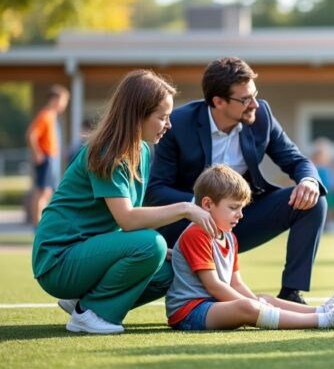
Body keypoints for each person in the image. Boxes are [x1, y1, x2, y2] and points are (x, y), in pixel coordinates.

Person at [32, 70, 218, 334]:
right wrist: (186, 208)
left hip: (86, 253)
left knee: (169, 271)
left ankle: (84, 303)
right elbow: (127, 218)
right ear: (137, 115)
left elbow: (125, 224)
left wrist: (157, 255)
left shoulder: (141, 149)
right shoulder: (110, 150)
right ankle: (89, 314)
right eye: (162, 117)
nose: (169, 124)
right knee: (152, 243)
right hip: (58, 261)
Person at [145, 57, 327, 305]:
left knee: (314, 201)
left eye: (254, 94)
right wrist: (198, 208)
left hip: (242, 217)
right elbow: (156, 190)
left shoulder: (262, 117)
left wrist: (309, 181)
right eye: (244, 99)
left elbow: (296, 160)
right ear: (218, 101)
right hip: (189, 226)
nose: (254, 104)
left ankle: (291, 293)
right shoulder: (178, 124)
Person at [166, 164, 334, 331]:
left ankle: (322, 310)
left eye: (242, 208)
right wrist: (255, 305)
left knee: (265, 299)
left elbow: (236, 284)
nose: (240, 215)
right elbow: (214, 286)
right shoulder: (196, 233)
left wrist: (260, 303)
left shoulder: (230, 237)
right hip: (191, 312)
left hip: (214, 305)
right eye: (234, 208)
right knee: (248, 307)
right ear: (207, 205)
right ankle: (325, 321)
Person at [27, 85, 69, 227]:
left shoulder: (52, 116)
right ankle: (38, 226)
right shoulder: (45, 115)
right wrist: (38, 153)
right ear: (55, 99)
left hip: (52, 158)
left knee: (48, 191)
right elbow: (31, 134)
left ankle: (42, 224)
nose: (64, 104)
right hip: (46, 158)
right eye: (63, 100)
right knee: (42, 192)